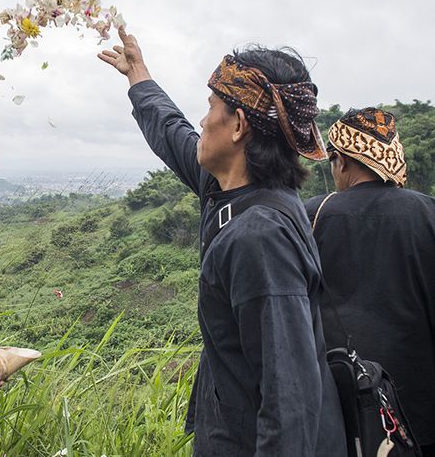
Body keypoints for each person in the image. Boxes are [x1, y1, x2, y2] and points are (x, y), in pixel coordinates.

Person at [98, 29, 346, 455]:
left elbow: (290, 403)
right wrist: (139, 77)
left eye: (211, 106)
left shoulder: (261, 236)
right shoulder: (231, 193)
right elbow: (173, 133)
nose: (202, 119)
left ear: (237, 125)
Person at [305, 108, 435, 454]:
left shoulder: (309, 217)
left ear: (341, 162)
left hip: (339, 411)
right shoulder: (428, 213)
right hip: (421, 417)